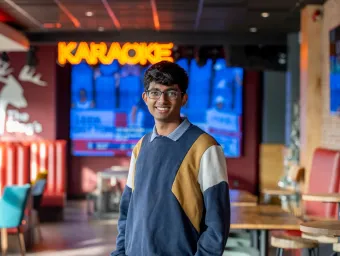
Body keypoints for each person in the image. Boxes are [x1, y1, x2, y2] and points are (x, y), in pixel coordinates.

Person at [111, 60, 230, 256]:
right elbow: (127, 212)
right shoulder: (140, 147)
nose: (162, 100)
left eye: (171, 93)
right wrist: (120, 252)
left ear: (183, 98)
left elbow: (217, 223)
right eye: (155, 92)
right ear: (145, 97)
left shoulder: (205, 147)